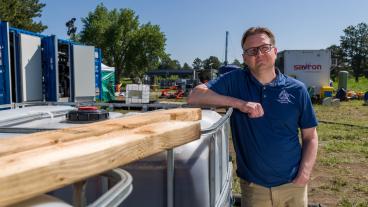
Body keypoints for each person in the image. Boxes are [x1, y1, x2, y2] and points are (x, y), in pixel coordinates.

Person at [188, 27, 318, 207]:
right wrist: (239, 103)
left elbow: (310, 136)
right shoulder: (235, 81)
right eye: (252, 51)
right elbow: (195, 96)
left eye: (265, 48)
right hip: (255, 188)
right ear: (244, 58)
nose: (259, 54)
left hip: (293, 185)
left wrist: (304, 174)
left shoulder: (297, 89)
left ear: (275, 51)